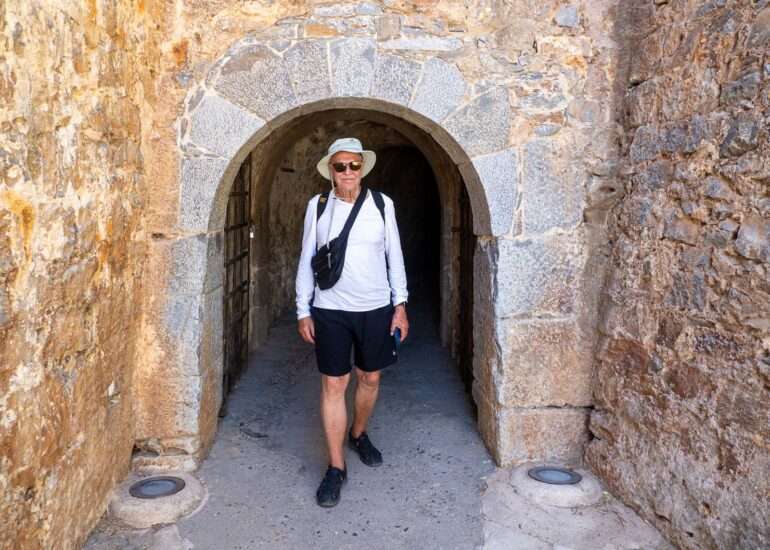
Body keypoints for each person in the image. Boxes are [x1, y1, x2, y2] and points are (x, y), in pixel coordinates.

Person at [295, 137, 409, 508]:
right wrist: (303, 309)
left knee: (370, 377)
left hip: (375, 307)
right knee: (334, 383)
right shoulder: (318, 206)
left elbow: (394, 255)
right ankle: (335, 466)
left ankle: (358, 433)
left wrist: (400, 305)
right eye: (340, 166)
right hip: (330, 308)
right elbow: (307, 258)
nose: (347, 172)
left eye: (353, 165)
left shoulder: (381, 204)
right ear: (331, 170)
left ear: (362, 168)